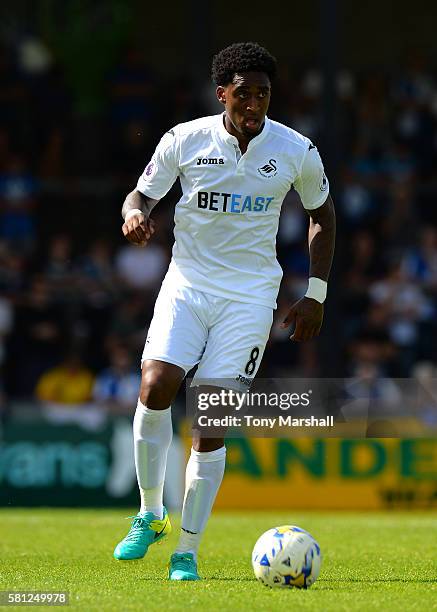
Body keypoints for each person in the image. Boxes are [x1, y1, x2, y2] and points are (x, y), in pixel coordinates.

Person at [113, 42, 336, 580]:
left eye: (263, 93)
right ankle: (150, 514)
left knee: (211, 421)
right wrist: (134, 218)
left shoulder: (295, 149)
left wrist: (317, 293)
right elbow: (139, 197)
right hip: (186, 285)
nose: (254, 103)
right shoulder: (184, 140)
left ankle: (186, 551)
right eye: (243, 93)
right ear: (223, 94)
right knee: (156, 385)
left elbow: (322, 213)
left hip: (251, 296)